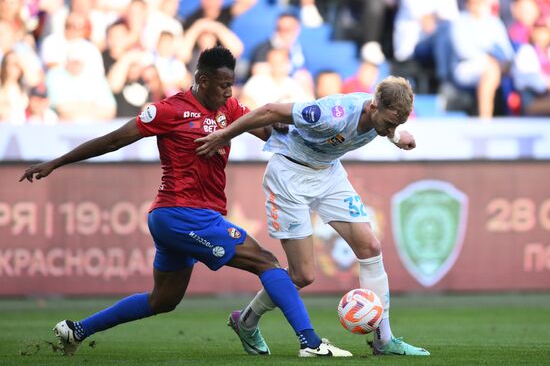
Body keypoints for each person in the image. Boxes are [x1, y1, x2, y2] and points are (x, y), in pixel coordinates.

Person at [19, 46, 351, 358]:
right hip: (183, 213)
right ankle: (311, 343)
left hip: (178, 219)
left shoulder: (230, 109)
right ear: (202, 80)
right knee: (266, 262)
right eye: (223, 85)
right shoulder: (167, 110)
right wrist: (55, 162)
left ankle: (76, 330)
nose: (229, 92)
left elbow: (269, 132)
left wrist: (285, 124)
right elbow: (114, 140)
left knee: (162, 300)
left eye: (231, 85)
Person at [195, 75, 430, 356]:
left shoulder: (382, 118)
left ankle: (384, 340)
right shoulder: (330, 114)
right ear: (373, 106)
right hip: (289, 176)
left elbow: (387, 126)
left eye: (397, 123)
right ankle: (245, 320)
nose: (391, 127)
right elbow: (270, 110)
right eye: (390, 123)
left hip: (328, 174)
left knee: (370, 246)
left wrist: (396, 137)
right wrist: (223, 135)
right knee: (303, 274)